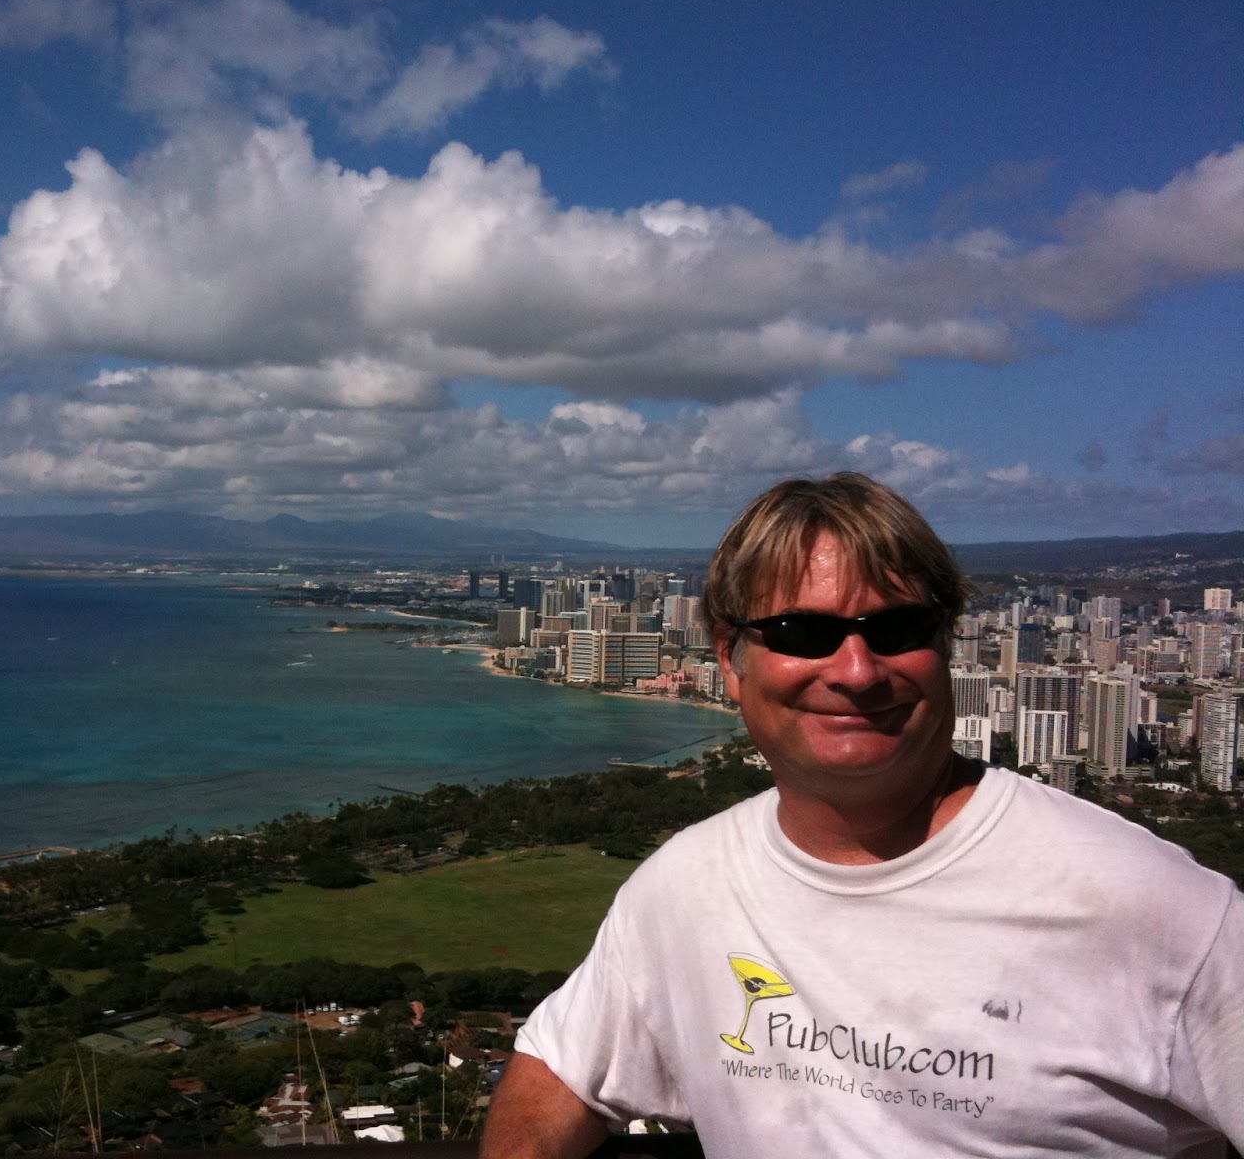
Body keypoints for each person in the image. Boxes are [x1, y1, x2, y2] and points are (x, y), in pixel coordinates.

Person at [483, 472, 1242, 1158]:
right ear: (730, 660)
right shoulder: (685, 887)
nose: (855, 671)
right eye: (802, 634)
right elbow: (560, 1070)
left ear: (943, 644)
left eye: (897, 630)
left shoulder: (1149, 905)